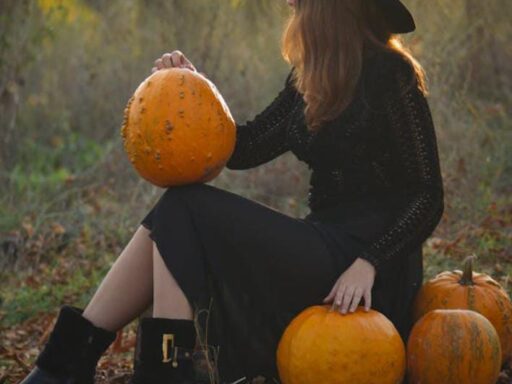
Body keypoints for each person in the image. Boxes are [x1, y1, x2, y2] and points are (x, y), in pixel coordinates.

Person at [20, 0, 444, 383]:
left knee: (187, 208)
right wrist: (191, 87)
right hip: (322, 245)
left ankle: (125, 370)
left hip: (368, 271)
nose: (292, 12)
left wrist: (369, 262)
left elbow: (428, 195)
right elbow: (241, 147)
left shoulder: (391, 75)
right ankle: (81, 364)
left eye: (298, 5)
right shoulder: (310, 79)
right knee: (180, 209)